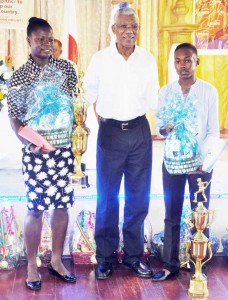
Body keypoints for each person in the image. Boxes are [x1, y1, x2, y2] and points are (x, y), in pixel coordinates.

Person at [83, 6, 159, 279]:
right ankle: (104, 257)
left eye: (134, 26)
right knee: (107, 199)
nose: (130, 31)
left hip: (140, 131)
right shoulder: (100, 59)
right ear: (113, 29)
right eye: (124, 26)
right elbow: (87, 93)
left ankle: (133, 257)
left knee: (138, 198)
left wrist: (167, 122)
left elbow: (154, 98)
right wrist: (96, 117)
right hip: (111, 133)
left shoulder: (147, 60)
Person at [7, 17, 77, 290]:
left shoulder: (66, 70)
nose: (46, 44)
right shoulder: (20, 75)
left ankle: (57, 260)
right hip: (35, 154)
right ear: (29, 41)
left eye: (49, 39)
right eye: (40, 40)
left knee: (62, 205)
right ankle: (31, 264)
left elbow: (75, 107)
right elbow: (14, 119)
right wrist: (30, 144)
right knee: (35, 209)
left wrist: (78, 133)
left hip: (63, 150)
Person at [152, 43, 219, 281]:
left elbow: (213, 131)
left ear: (196, 62)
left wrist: (204, 160)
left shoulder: (208, 91)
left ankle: (198, 264)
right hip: (172, 160)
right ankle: (170, 265)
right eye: (178, 61)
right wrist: (165, 129)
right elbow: (160, 129)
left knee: (198, 214)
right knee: (172, 213)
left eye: (188, 60)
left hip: (200, 164)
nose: (183, 65)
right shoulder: (166, 92)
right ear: (174, 64)